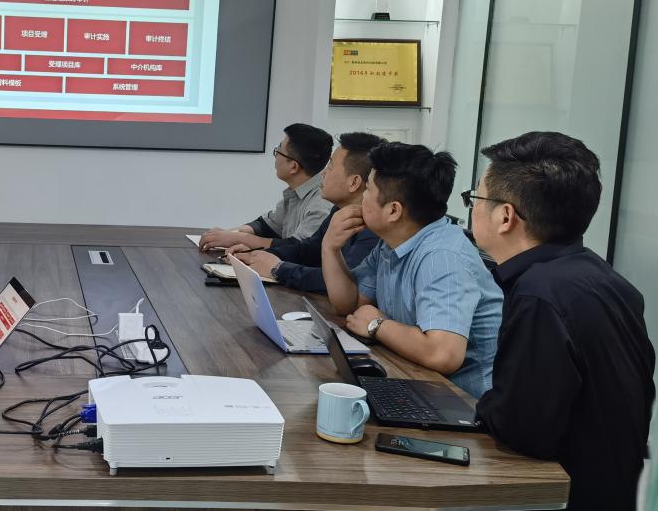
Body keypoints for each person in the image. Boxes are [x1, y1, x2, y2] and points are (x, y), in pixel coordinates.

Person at [456, 132, 655, 511]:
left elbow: (525, 430)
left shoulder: (541, 295)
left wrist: (480, 410)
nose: (473, 210)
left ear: (506, 217)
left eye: (476, 198)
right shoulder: (598, 277)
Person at [321, 141, 502, 398]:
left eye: (368, 190)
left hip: (465, 402)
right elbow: (350, 304)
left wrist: (377, 325)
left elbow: (443, 354)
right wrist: (330, 247)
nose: (361, 198)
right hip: (419, 382)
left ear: (393, 210)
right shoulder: (392, 242)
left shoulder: (442, 256)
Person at [229, 132, 383, 292]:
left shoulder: (373, 229)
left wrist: (278, 269)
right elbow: (307, 250)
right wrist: (255, 255)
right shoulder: (339, 211)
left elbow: (343, 284)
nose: (323, 173)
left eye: (330, 166)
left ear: (354, 182)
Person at [198, 123, 333, 252]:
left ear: (293, 167)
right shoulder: (296, 194)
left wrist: (237, 238)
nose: (275, 157)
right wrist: (228, 234)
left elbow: (297, 248)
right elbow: (264, 226)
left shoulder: (321, 204)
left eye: (278, 151)